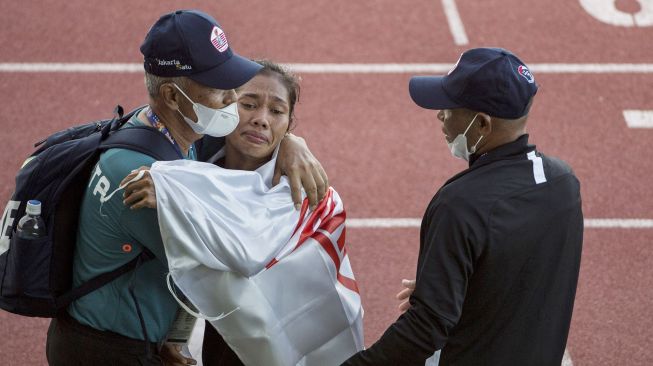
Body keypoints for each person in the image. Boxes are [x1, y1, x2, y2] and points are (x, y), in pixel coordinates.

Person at [45, 10, 328, 366]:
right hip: (108, 350)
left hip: (133, 338)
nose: (231, 100)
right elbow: (219, 268)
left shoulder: (173, 132)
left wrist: (289, 142)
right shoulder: (139, 174)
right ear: (174, 96)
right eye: (219, 88)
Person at [342, 47, 584, 365]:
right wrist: (458, 281)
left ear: (482, 124)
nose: (440, 114)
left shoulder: (460, 205)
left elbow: (424, 331)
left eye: (450, 106)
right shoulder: (563, 183)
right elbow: (525, 267)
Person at [122, 60, 364, 366]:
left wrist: (174, 199)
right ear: (226, 108)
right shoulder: (198, 170)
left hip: (298, 342)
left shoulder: (308, 194)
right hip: (226, 338)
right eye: (248, 104)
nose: (261, 119)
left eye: (277, 111)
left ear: (289, 124)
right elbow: (194, 259)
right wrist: (177, 336)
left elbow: (246, 252)